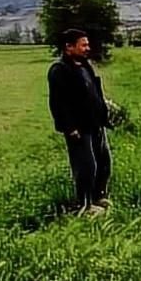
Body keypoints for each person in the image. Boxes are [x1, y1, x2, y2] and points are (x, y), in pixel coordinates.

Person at [47, 29, 112, 215]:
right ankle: (84, 204)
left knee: (103, 162)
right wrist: (69, 127)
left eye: (87, 44)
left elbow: (95, 92)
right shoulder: (59, 71)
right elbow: (58, 103)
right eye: (83, 45)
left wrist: (104, 112)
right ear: (69, 47)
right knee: (86, 166)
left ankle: (99, 197)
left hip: (96, 123)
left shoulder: (85, 66)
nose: (87, 48)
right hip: (78, 128)